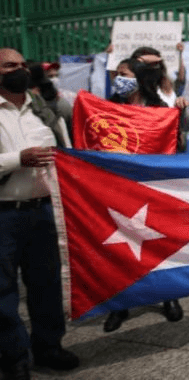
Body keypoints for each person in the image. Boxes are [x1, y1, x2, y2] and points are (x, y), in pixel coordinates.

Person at [0, 48, 79, 380]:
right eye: (9, 66)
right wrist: (20, 158)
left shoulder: (44, 112)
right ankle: (14, 357)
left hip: (43, 212)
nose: (19, 70)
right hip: (4, 214)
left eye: (21, 65)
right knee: (3, 291)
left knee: (47, 284)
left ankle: (48, 346)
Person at [102, 55, 188, 332]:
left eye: (124, 73)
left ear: (139, 78)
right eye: (116, 74)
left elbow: (177, 146)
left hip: (152, 189)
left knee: (158, 244)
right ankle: (120, 305)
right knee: (120, 248)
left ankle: (167, 296)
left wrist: (179, 115)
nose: (119, 79)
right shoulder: (108, 107)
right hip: (118, 188)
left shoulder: (158, 107)